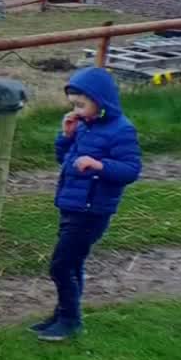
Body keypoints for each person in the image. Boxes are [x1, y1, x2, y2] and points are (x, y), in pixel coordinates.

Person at [35, 66, 142, 342]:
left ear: (101, 101)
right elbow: (65, 161)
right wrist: (66, 136)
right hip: (72, 205)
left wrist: (99, 165)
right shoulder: (84, 127)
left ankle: (71, 320)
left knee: (60, 265)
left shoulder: (121, 130)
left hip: (92, 210)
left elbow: (131, 169)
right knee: (73, 263)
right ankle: (63, 314)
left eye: (82, 105)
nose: (78, 111)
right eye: (74, 105)